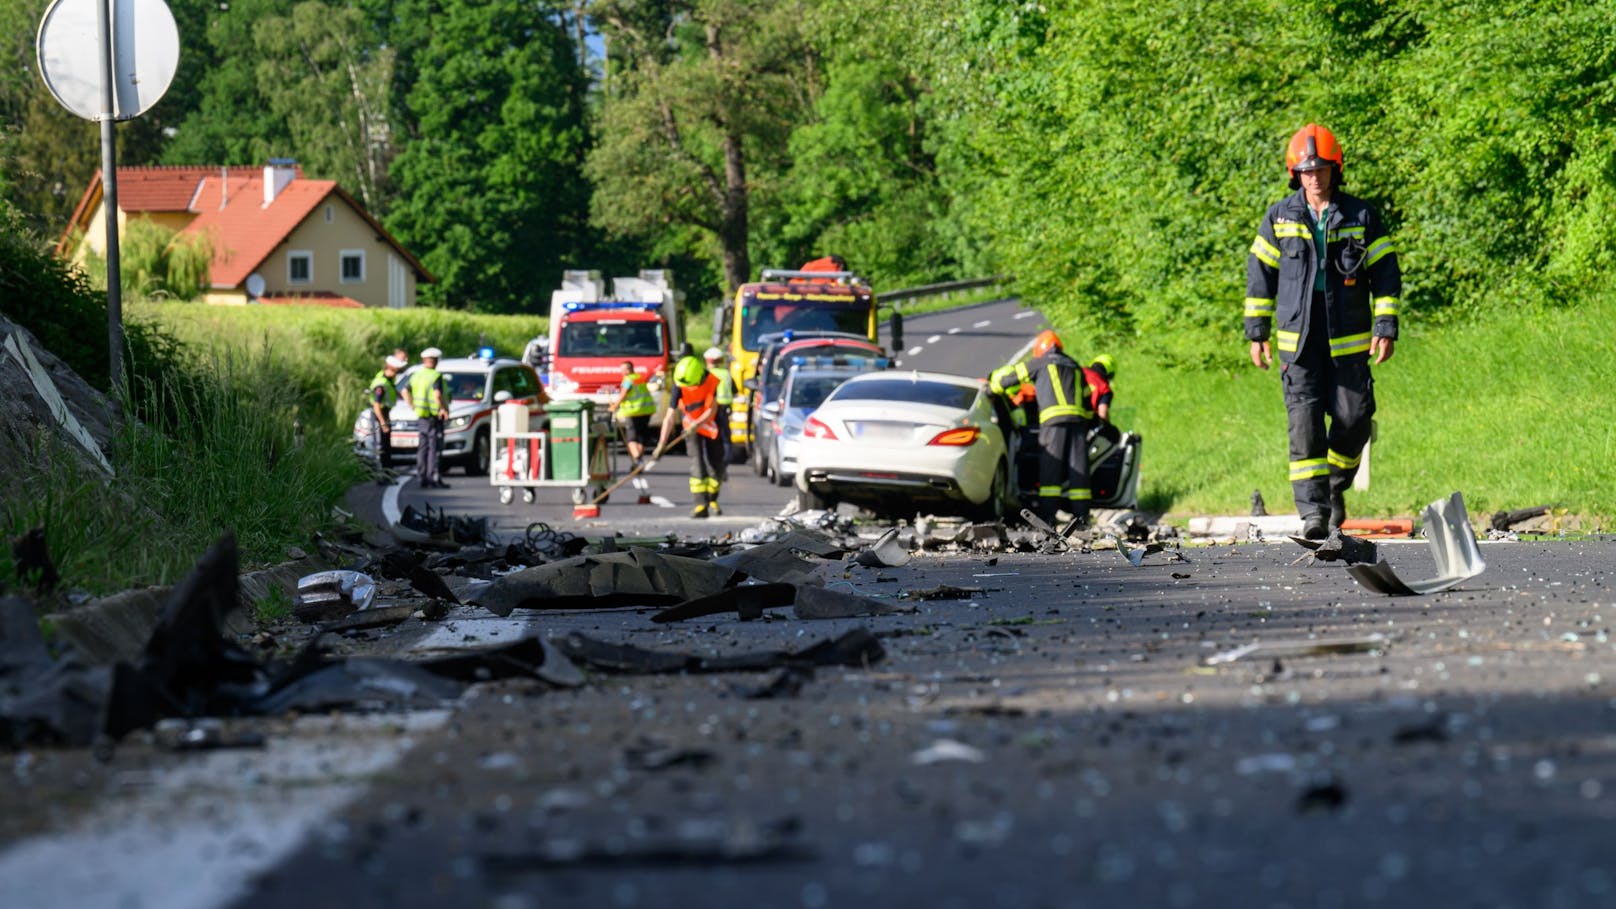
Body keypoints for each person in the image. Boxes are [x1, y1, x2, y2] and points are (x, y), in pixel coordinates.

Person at [1245, 123, 1402, 540]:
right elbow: (1259, 276)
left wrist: (1385, 324)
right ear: (1295, 174)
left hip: (1348, 343)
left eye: (1322, 169)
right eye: (1306, 170)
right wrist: (1256, 332)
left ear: (1336, 169)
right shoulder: (1279, 218)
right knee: (1304, 428)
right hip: (1298, 345)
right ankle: (1314, 514)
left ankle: (1333, 486)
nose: (1314, 177)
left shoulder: (1361, 216)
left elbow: (1386, 274)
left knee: (1355, 420)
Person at [994, 330, 1093, 524]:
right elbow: (1088, 398)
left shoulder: (1040, 362)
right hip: (1078, 423)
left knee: (1051, 470)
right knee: (1079, 471)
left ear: (1040, 349)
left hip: (1053, 423)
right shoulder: (1074, 365)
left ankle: (1048, 517)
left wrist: (994, 387)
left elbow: (1011, 378)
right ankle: (1082, 518)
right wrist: (1089, 422)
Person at [657, 354, 724, 518]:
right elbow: (670, 416)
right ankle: (700, 505)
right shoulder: (679, 384)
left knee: (716, 465)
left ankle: (712, 499)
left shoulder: (711, 381)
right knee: (697, 464)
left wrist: (697, 424)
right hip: (691, 428)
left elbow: (712, 410)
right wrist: (661, 443)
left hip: (711, 425)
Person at [402, 346, 450, 488]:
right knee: (433, 447)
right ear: (435, 361)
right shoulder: (435, 376)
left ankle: (421, 476)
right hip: (433, 417)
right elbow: (437, 395)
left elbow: (405, 391)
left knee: (422, 447)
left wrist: (413, 405)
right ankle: (432, 477)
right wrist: (443, 408)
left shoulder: (416, 375)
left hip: (421, 416)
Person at [609, 360, 657, 464]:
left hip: (633, 412)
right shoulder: (639, 378)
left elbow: (623, 393)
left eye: (623, 369)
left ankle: (637, 460)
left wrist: (614, 406)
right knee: (641, 436)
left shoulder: (627, 380)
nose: (621, 371)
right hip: (646, 411)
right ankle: (639, 459)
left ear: (628, 370)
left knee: (631, 437)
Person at [367, 353, 406, 472]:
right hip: (379, 416)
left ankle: (388, 472)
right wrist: (383, 423)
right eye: (398, 369)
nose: (399, 371)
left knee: (386, 446)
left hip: (385, 414)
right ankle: (381, 474)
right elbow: (376, 406)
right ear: (392, 369)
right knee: (380, 446)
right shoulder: (381, 385)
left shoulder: (387, 379)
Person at [704, 347, 735, 461]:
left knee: (709, 434)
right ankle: (725, 460)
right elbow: (734, 391)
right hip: (724, 407)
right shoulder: (726, 374)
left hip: (709, 409)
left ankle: (711, 459)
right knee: (725, 436)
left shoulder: (706, 374)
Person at [1084, 354, 1116, 423]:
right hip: (1083, 425)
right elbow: (1103, 416)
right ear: (1109, 375)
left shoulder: (1078, 372)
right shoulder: (1104, 388)